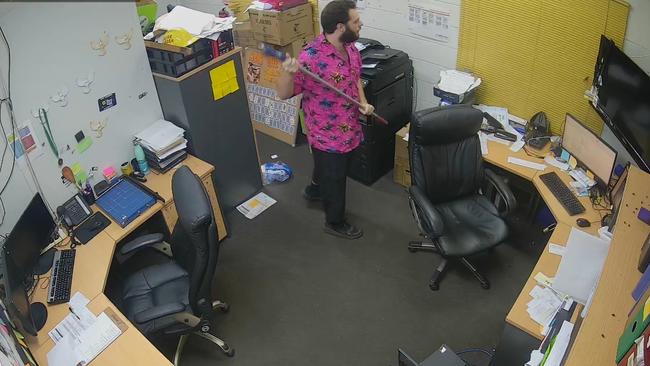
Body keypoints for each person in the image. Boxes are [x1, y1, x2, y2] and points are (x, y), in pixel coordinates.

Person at [276, 0, 374, 240]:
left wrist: (362, 101)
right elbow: (283, 93)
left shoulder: (350, 47)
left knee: (332, 169)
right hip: (326, 132)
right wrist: (287, 72)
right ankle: (335, 221)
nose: (361, 23)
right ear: (340, 26)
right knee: (336, 176)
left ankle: (315, 189)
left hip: (349, 124)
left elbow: (355, 77)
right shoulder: (310, 58)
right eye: (356, 20)